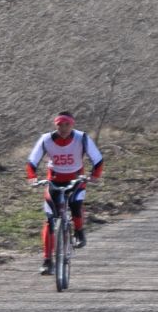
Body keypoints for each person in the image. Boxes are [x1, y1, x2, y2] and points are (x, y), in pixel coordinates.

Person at [27, 112, 104, 273]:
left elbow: (97, 159)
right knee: (50, 219)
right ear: (55, 125)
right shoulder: (46, 139)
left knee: (76, 204)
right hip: (54, 180)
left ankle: (79, 232)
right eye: (60, 125)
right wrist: (32, 177)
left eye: (67, 125)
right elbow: (32, 160)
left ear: (72, 125)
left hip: (76, 179)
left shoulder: (81, 138)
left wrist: (95, 176)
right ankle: (47, 260)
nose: (63, 128)